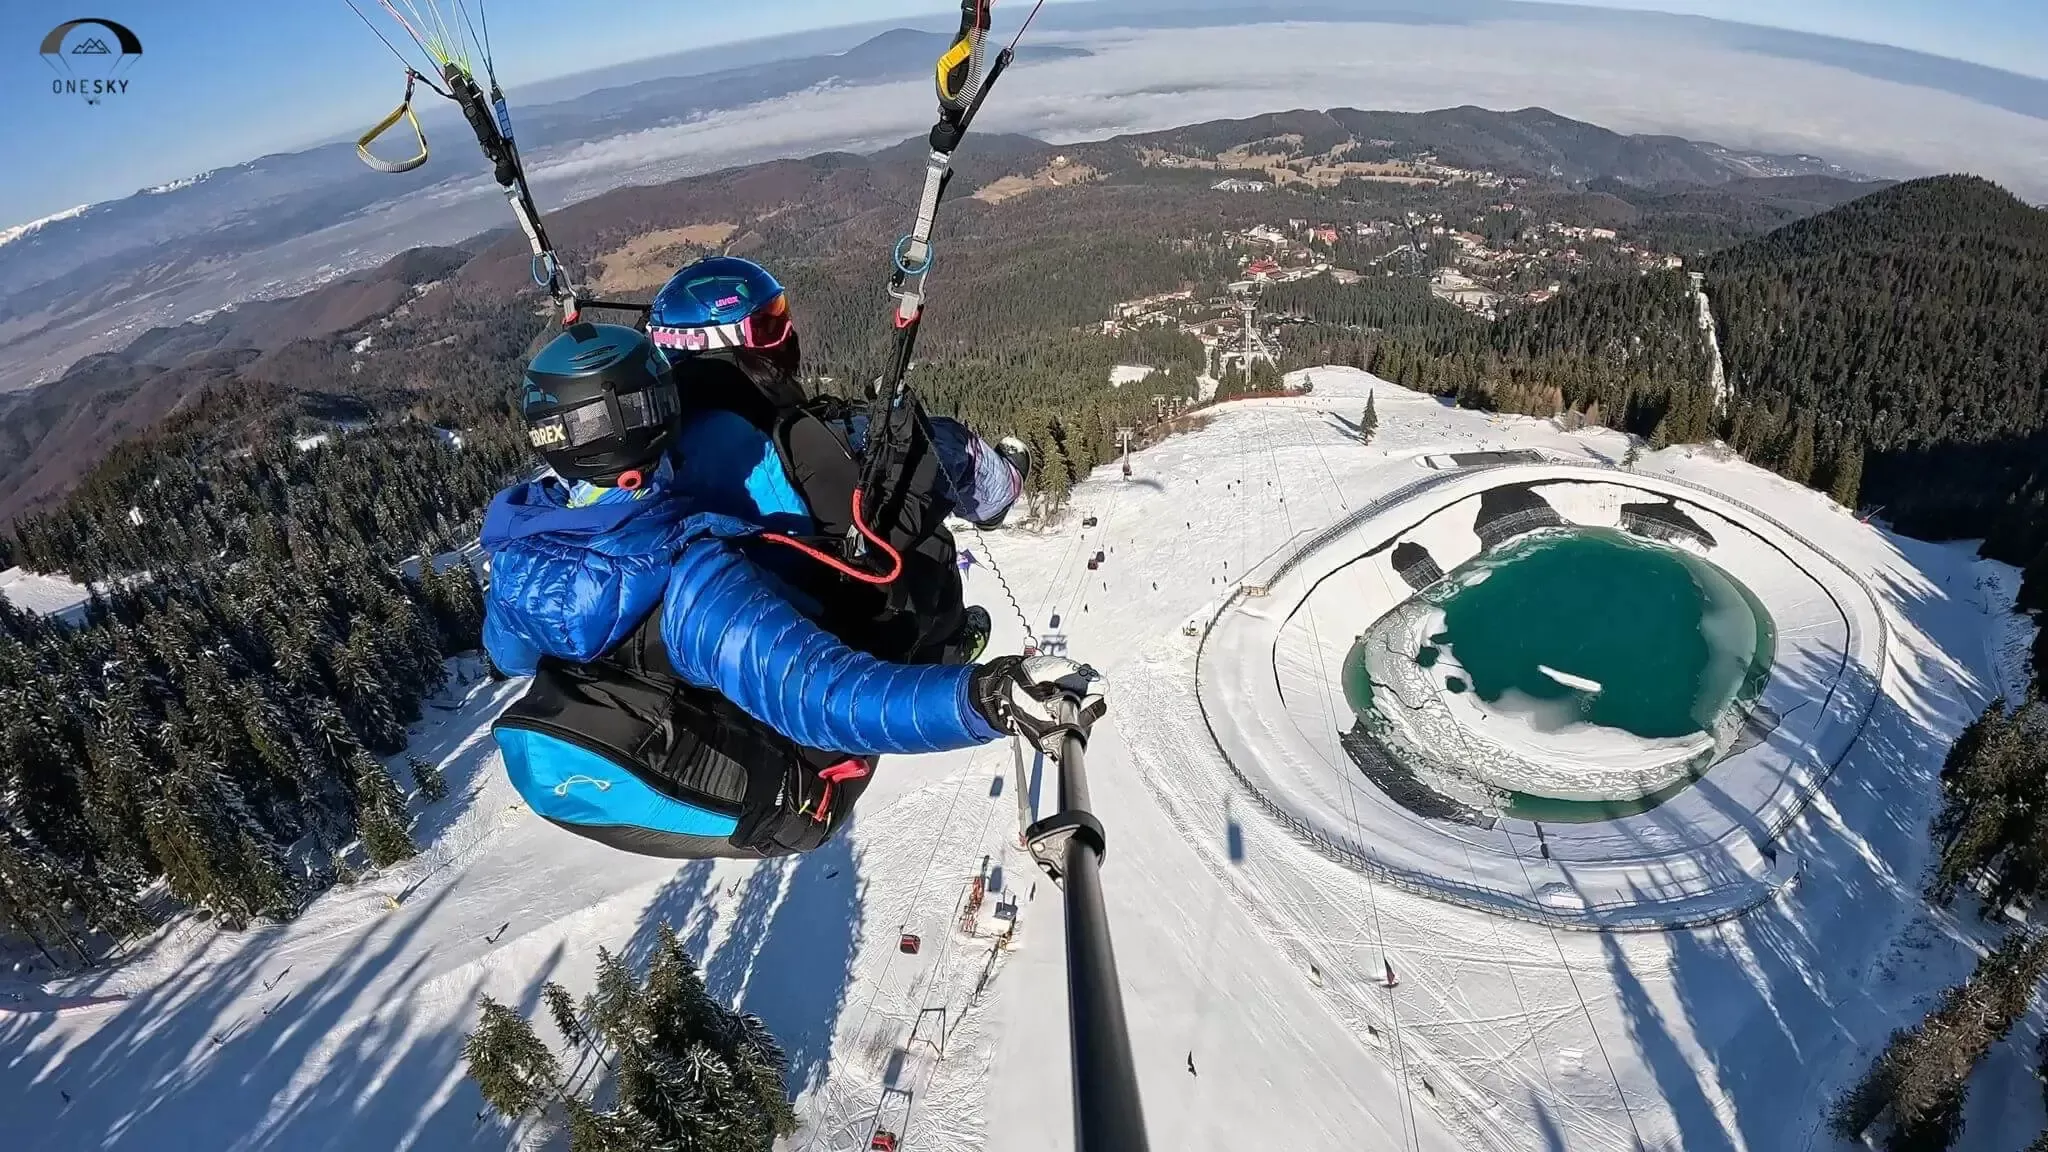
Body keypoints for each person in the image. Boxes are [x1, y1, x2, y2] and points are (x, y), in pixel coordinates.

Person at [483, 309, 1099, 859]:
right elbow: (826, 698)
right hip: (795, 784)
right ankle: (937, 651)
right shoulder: (692, 583)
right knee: (877, 607)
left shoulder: (517, 558)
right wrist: (987, 699)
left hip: (635, 739)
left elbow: (505, 656)